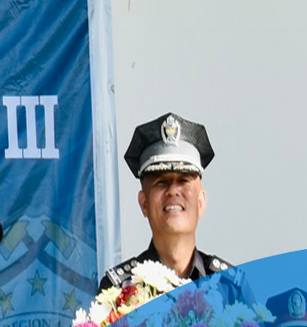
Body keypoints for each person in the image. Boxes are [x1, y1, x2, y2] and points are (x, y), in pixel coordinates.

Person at [100, 113, 234, 292]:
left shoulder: (230, 288)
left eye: (183, 180)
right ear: (144, 203)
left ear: (201, 202)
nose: (173, 190)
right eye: (161, 182)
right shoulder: (118, 289)